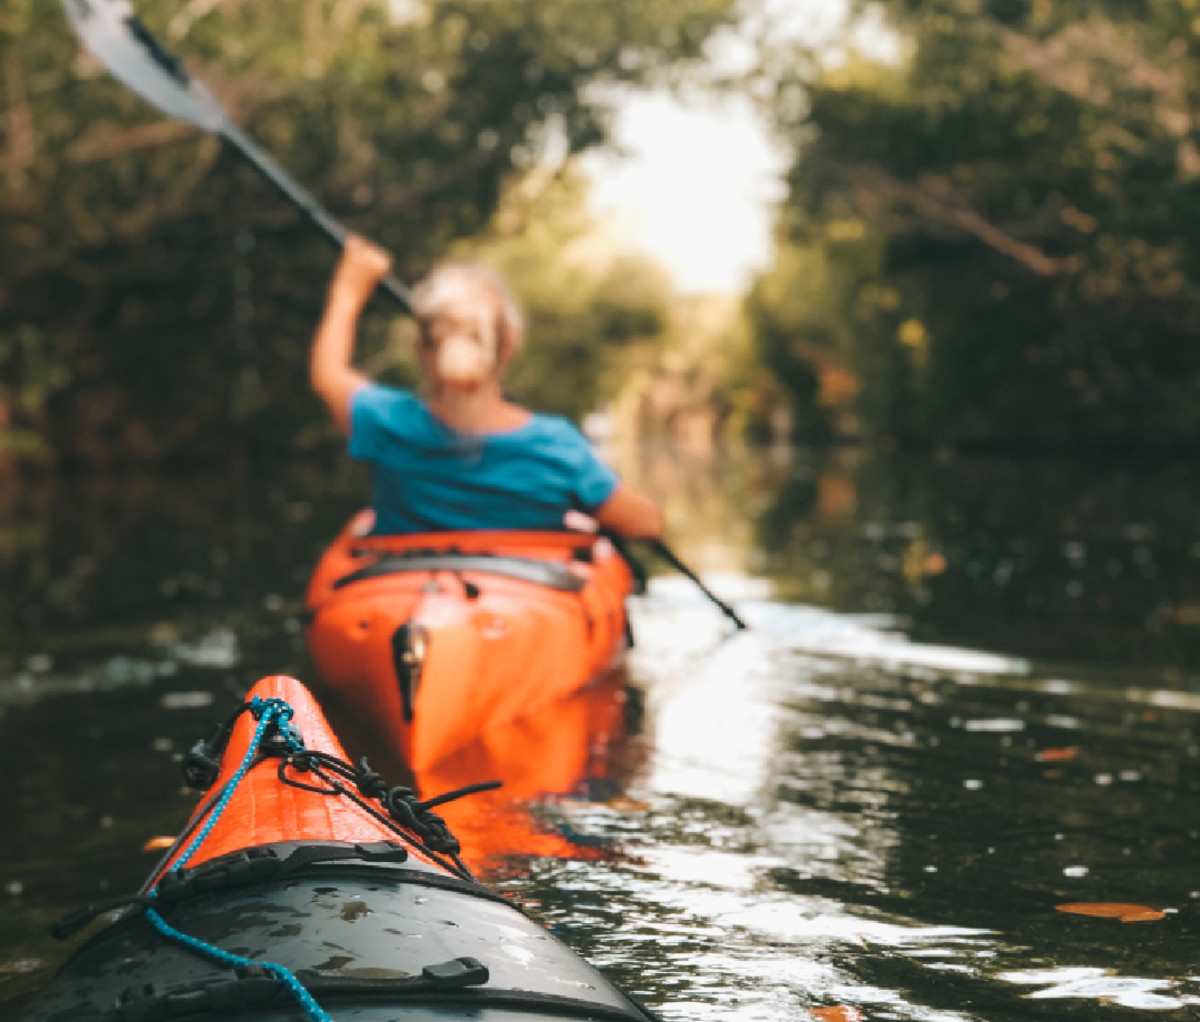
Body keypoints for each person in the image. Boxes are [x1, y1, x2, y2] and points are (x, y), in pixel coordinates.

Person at [309, 235, 663, 539]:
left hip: (405, 593)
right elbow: (645, 524)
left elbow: (328, 374)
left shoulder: (387, 424)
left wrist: (348, 290)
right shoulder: (556, 448)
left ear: (420, 348)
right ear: (509, 344)